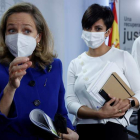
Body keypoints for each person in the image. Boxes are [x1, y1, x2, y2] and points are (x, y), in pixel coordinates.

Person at [0, 2, 79, 140]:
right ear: (4, 35)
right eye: (12, 30)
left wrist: (73, 134)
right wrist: (10, 88)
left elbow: (61, 114)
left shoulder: (55, 66)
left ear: (39, 37)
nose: (19, 37)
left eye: (27, 31)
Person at [66, 4, 140, 140]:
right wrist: (99, 113)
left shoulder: (123, 57)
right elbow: (70, 102)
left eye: (98, 28)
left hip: (114, 131)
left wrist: (129, 102)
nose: (92, 32)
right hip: (82, 131)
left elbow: (139, 92)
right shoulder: (75, 63)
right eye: (88, 28)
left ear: (108, 32)